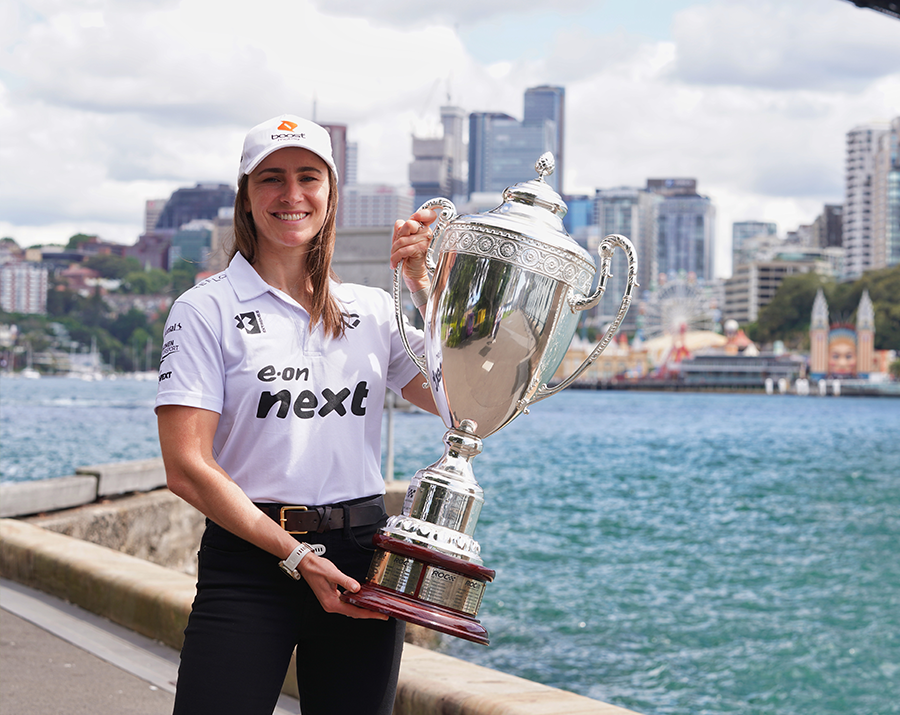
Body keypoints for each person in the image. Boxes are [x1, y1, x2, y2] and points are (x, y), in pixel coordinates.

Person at [156, 114, 438, 715]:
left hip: (361, 555)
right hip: (250, 559)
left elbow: (462, 405)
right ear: (246, 196)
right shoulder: (205, 309)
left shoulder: (373, 310)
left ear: (331, 195)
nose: (292, 194)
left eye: (309, 177)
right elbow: (185, 467)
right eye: (271, 178)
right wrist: (295, 555)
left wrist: (425, 290)